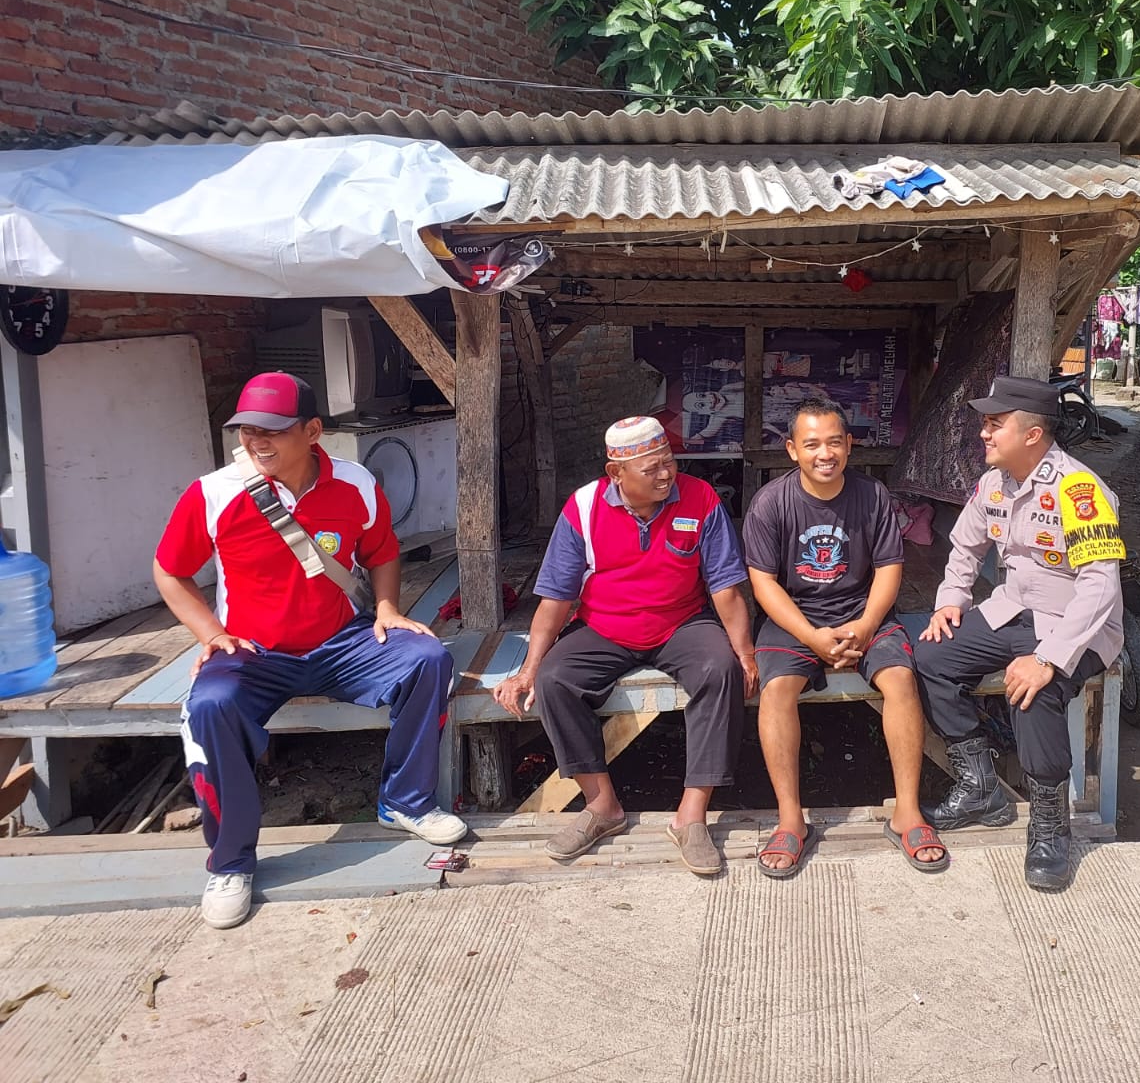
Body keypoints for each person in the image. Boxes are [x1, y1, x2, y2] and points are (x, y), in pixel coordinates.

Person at [153, 372, 464, 931]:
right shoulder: (214, 492)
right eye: (247, 429)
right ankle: (231, 862)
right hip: (254, 653)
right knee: (208, 705)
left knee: (429, 658)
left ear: (313, 431)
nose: (256, 440)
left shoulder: (355, 482)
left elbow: (381, 550)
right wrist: (209, 633)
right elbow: (169, 570)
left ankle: (405, 801)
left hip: (341, 642)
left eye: (272, 429)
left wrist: (388, 608)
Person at [493, 416, 757, 876]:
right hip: (603, 626)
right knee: (555, 680)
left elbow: (725, 588)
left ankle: (691, 815)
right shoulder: (583, 506)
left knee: (720, 670)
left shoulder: (701, 498)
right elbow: (556, 599)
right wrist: (529, 668)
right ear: (616, 473)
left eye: (669, 462)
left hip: (681, 622)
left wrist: (745, 653)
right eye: (652, 468)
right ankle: (602, 805)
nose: (666, 474)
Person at [914, 375, 1125, 892]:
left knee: (1032, 687)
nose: (983, 434)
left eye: (995, 424)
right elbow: (965, 547)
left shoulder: (1079, 491)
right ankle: (979, 784)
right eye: (985, 424)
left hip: (1076, 626)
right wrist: (950, 601)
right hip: (1011, 612)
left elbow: (1099, 586)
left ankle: (1051, 825)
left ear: (1032, 434)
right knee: (930, 657)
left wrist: (1048, 658)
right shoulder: (995, 483)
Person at [742, 399, 948, 878]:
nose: (825, 453)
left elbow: (889, 567)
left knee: (900, 678)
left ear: (849, 445)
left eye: (835, 442)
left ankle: (907, 812)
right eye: (812, 444)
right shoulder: (771, 502)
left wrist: (867, 624)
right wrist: (811, 636)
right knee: (776, 691)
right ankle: (791, 819)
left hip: (863, 613)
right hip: (795, 618)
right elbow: (763, 583)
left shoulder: (873, 495)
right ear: (792, 450)